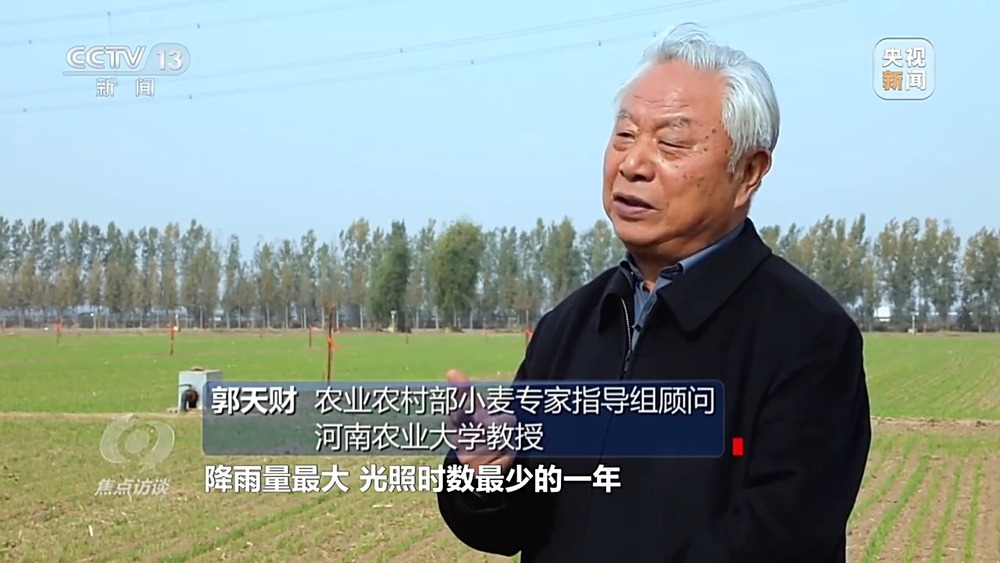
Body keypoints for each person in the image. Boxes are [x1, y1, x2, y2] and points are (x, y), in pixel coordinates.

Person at [437, 23, 871, 563]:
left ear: (749, 172)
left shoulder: (807, 336)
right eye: (624, 135)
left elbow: (781, 537)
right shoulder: (569, 325)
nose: (633, 164)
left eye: (671, 143)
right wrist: (488, 472)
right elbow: (512, 527)